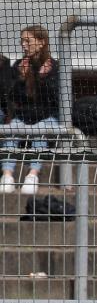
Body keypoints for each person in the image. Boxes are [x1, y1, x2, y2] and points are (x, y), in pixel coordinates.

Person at [1, 26, 60, 195]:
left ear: (41, 43)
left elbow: (56, 99)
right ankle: (7, 175)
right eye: (22, 41)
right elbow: (12, 97)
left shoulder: (54, 67)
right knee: (11, 130)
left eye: (28, 41)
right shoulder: (19, 65)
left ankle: (32, 174)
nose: (24, 45)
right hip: (26, 115)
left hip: (48, 116)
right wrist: (20, 79)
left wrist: (43, 79)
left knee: (39, 130)